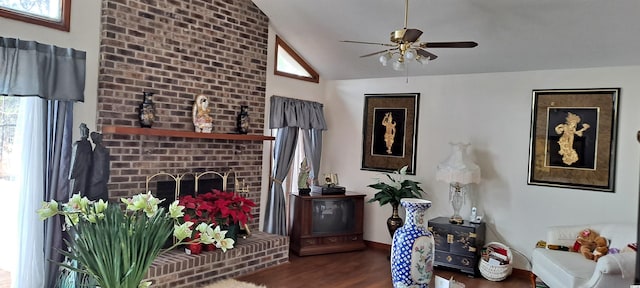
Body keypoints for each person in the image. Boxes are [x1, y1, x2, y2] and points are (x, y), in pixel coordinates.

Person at [69, 123, 93, 195]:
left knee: (79, 191)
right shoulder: (82, 144)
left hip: (81, 171)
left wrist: (71, 174)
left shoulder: (81, 144)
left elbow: (74, 160)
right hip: (81, 171)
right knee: (77, 191)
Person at [88, 131, 110, 201]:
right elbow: (101, 171)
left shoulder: (100, 150)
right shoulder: (100, 151)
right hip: (98, 184)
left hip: (98, 184)